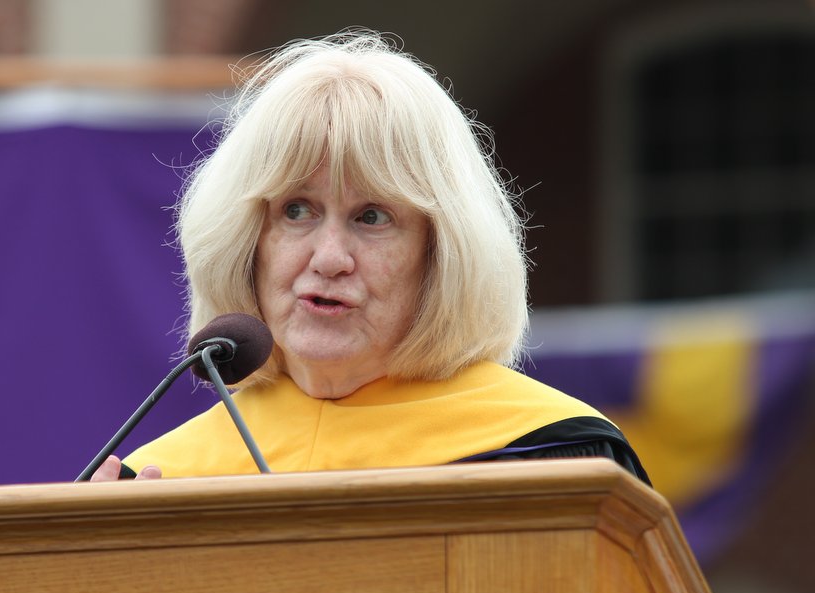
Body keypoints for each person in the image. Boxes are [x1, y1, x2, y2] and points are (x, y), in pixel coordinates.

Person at [92, 31, 649, 484]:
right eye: (296, 210)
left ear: (439, 255)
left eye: (372, 217)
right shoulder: (163, 481)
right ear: (248, 243)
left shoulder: (554, 457)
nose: (329, 258)